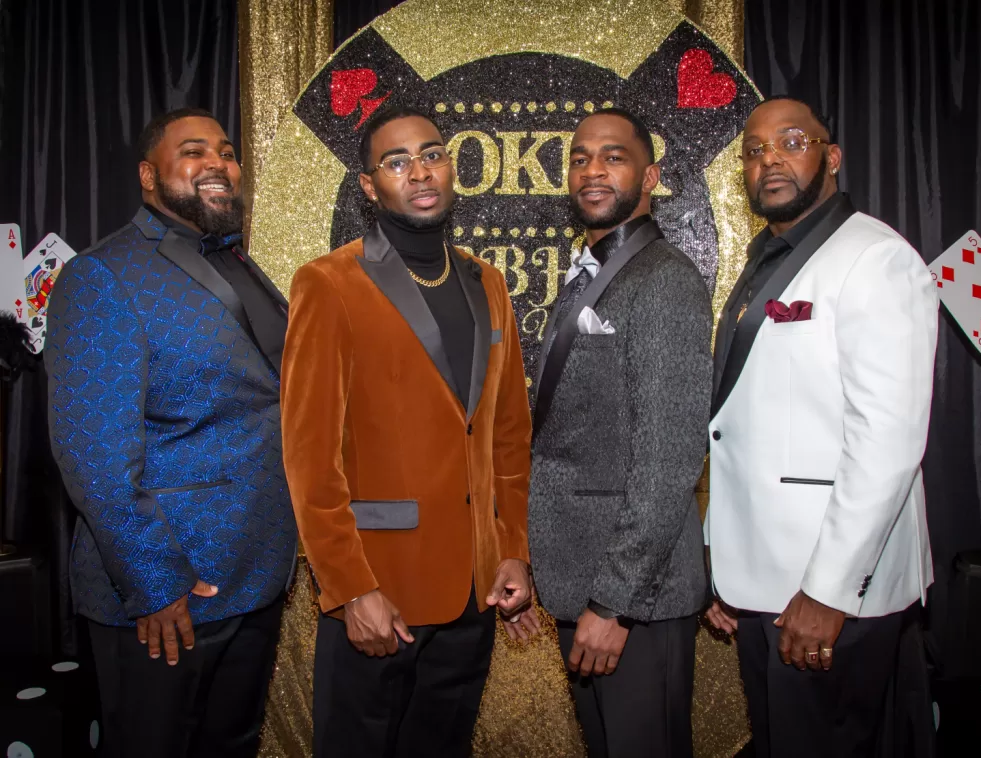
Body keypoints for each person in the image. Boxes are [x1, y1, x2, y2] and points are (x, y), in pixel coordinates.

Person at [281, 105, 536, 758]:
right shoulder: (328, 284)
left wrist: (511, 547)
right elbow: (311, 461)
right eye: (396, 161)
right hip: (379, 592)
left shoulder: (489, 283)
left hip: (474, 593)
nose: (419, 171)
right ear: (369, 185)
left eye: (431, 153)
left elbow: (506, 436)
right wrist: (349, 587)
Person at [45, 108, 297, 758]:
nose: (218, 162)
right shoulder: (102, 277)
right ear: (148, 175)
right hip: (167, 595)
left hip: (256, 572)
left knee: (232, 745)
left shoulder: (240, 265)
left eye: (227, 150)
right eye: (193, 151)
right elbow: (94, 459)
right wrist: (156, 584)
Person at [704, 96, 938, 757]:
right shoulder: (767, 260)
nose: (769, 158)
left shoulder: (875, 259)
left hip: (829, 590)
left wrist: (829, 592)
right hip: (760, 581)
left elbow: (888, 442)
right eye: (753, 150)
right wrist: (724, 562)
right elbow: (733, 423)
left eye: (792, 142)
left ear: (831, 158)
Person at [527, 107, 712, 758]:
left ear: (650, 175)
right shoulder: (592, 275)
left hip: (638, 598)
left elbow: (667, 460)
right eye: (579, 158)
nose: (592, 170)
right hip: (585, 580)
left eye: (613, 156)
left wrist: (613, 605)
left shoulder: (663, 280)